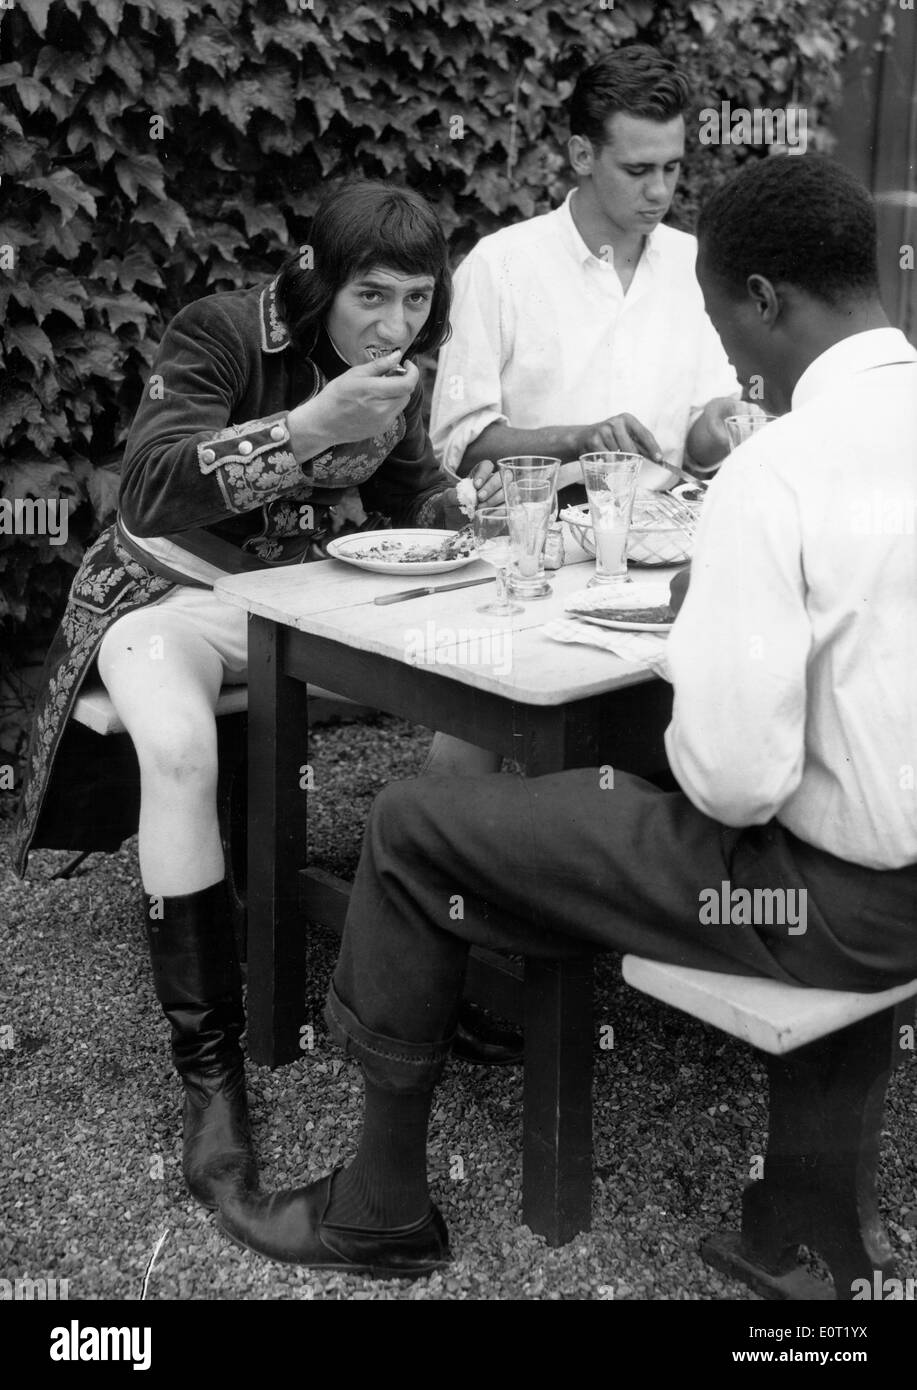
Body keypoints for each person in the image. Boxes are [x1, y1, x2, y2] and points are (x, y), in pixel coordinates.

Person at [217, 154, 917, 1277]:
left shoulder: (775, 472)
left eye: (720, 326)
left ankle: (379, 1206)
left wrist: (698, 641)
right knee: (612, 779)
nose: (728, 365)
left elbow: (733, 784)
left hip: (824, 905)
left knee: (411, 821)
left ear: (761, 300)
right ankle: (807, 1214)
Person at [11, 180, 503, 1213]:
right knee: (181, 751)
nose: (396, 325)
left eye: (416, 301)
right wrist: (306, 425)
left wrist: (474, 506)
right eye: (373, 296)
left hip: (307, 608)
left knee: (484, 676)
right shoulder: (223, 330)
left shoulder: (401, 362)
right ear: (319, 278)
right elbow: (145, 484)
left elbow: (412, 495)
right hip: (167, 598)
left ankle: (420, 973)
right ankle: (209, 1072)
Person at [430, 44, 744, 503]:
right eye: (637, 170)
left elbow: (699, 451)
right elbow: (457, 448)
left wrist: (722, 425)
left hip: (662, 537)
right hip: (533, 541)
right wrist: (580, 440)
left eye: (671, 168)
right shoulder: (499, 265)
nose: (659, 191)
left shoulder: (693, 263)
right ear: (581, 155)